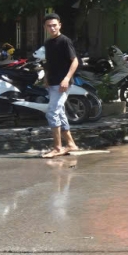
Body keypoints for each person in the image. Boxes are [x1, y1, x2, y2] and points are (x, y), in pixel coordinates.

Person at [41, 13, 81, 158]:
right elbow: (49, 63)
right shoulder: (48, 43)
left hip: (62, 84)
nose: (52, 28)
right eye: (49, 26)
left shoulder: (65, 41)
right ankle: (71, 144)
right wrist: (46, 78)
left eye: (54, 25)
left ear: (60, 25)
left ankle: (57, 148)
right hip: (52, 82)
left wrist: (66, 78)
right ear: (45, 27)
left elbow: (75, 61)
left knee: (52, 112)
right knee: (59, 113)